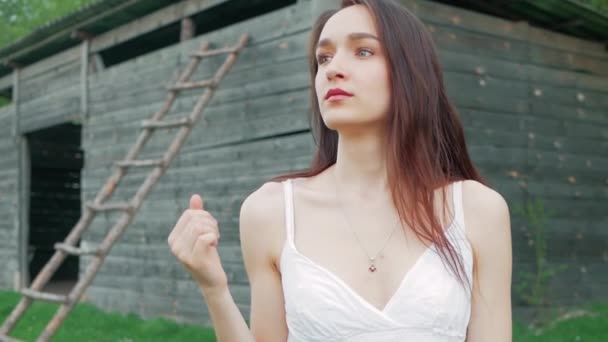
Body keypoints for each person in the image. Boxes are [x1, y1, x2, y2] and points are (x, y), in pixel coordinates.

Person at [168, 0, 512, 341]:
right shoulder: (270, 212)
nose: (333, 69)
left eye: (363, 51)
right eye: (324, 57)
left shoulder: (478, 210)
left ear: (411, 70)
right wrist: (215, 289)